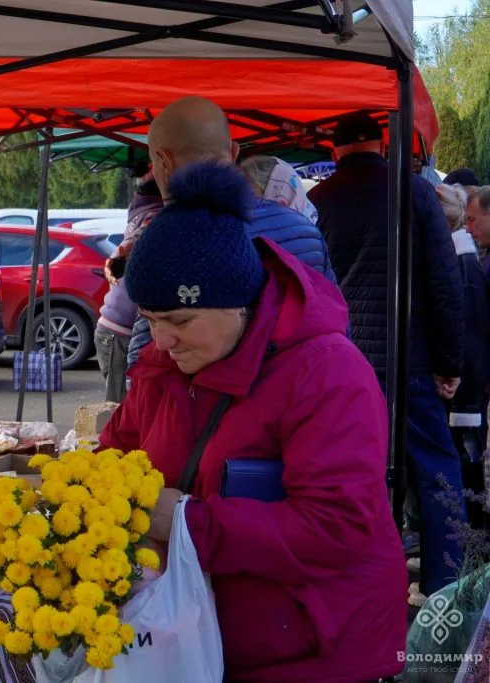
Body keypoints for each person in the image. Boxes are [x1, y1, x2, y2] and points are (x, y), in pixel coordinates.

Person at [100, 162, 405, 683]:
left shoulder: (327, 372)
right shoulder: (159, 364)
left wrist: (188, 524)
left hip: (315, 652)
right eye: (151, 321)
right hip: (199, 637)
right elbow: (118, 450)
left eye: (179, 320)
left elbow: (337, 526)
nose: (163, 340)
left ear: (238, 303)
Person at [308, 112, 466, 598]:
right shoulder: (415, 192)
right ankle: (447, 588)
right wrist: (449, 364)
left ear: (334, 153)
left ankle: (366, 582)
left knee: (359, 471)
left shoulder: (317, 201)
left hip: (344, 361)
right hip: (410, 359)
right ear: (381, 144)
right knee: (437, 470)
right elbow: (444, 283)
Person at [126, 97, 338, 368]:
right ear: (234, 152)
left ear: (163, 161)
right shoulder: (306, 230)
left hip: (208, 403)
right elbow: (333, 323)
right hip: (302, 390)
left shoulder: (166, 242)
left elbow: (147, 358)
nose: (163, 339)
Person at [437, 183, 490, 531]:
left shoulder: (467, 262)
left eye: (475, 219)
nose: (470, 227)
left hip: (473, 387)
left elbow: (473, 331)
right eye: (466, 220)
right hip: (474, 383)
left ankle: (475, 536)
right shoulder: (476, 258)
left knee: (472, 460)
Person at [94, 166, 163, 403]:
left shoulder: (140, 211)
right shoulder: (155, 217)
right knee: (120, 410)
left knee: (123, 408)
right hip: (118, 333)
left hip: (112, 331)